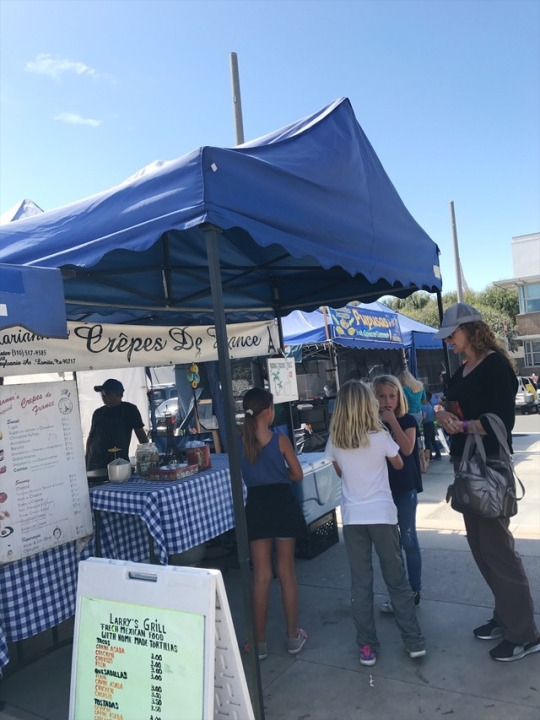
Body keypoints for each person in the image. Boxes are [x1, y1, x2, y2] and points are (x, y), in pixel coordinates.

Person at [433, 302, 540, 663]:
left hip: (489, 465)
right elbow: (451, 404)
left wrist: (460, 425)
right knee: (482, 549)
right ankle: (506, 616)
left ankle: (524, 633)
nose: (448, 339)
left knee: (498, 550)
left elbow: (501, 421)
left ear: (471, 329)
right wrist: (444, 414)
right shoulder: (462, 369)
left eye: (452, 333)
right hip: (466, 466)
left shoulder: (494, 365)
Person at [324, 380, 426, 666]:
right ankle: (413, 640)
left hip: (354, 518)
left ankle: (367, 644)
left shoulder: (335, 440)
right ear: (369, 405)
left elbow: (341, 472)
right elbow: (399, 463)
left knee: (361, 584)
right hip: (382, 515)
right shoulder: (380, 437)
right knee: (397, 580)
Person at [239, 387, 307, 661]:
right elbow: (298, 474)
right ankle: (292, 637)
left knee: (262, 576)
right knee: (287, 572)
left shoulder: (240, 442)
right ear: (268, 411)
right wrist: (282, 474)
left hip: (256, 506)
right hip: (282, 504)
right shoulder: (280, 440)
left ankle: (259, 644)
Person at [373, 375, 423, 612]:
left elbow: (407, 448)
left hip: (405, 488)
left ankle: (414, 589)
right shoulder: (372, 423)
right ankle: (399, 594)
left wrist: (393, 422)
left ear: (399, 397)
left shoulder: (407, 420)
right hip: (382, 489)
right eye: (382, 396)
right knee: (391, 547)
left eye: (391, 396)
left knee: (409, 540)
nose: (387, 401)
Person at [86, 378, 148, 471]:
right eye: (101, 394)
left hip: (119, 464)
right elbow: (91, 437)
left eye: (107, 393)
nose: (103, 396)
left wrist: (148, 455)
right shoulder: (98, 413)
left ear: (119, 395)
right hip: (95, 463)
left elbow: (140, 434)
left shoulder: (130, 410)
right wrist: (86, 459)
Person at [422, 391, 441, 464]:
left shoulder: (423, 407)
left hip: (426, 425)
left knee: (427, 441)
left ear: (425, 399)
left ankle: (429, 456)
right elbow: (435, 414)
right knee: (433, 440)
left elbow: (424, 416)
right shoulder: (431, 406)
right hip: (432, 424)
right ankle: (438, 454)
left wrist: (421, 421)